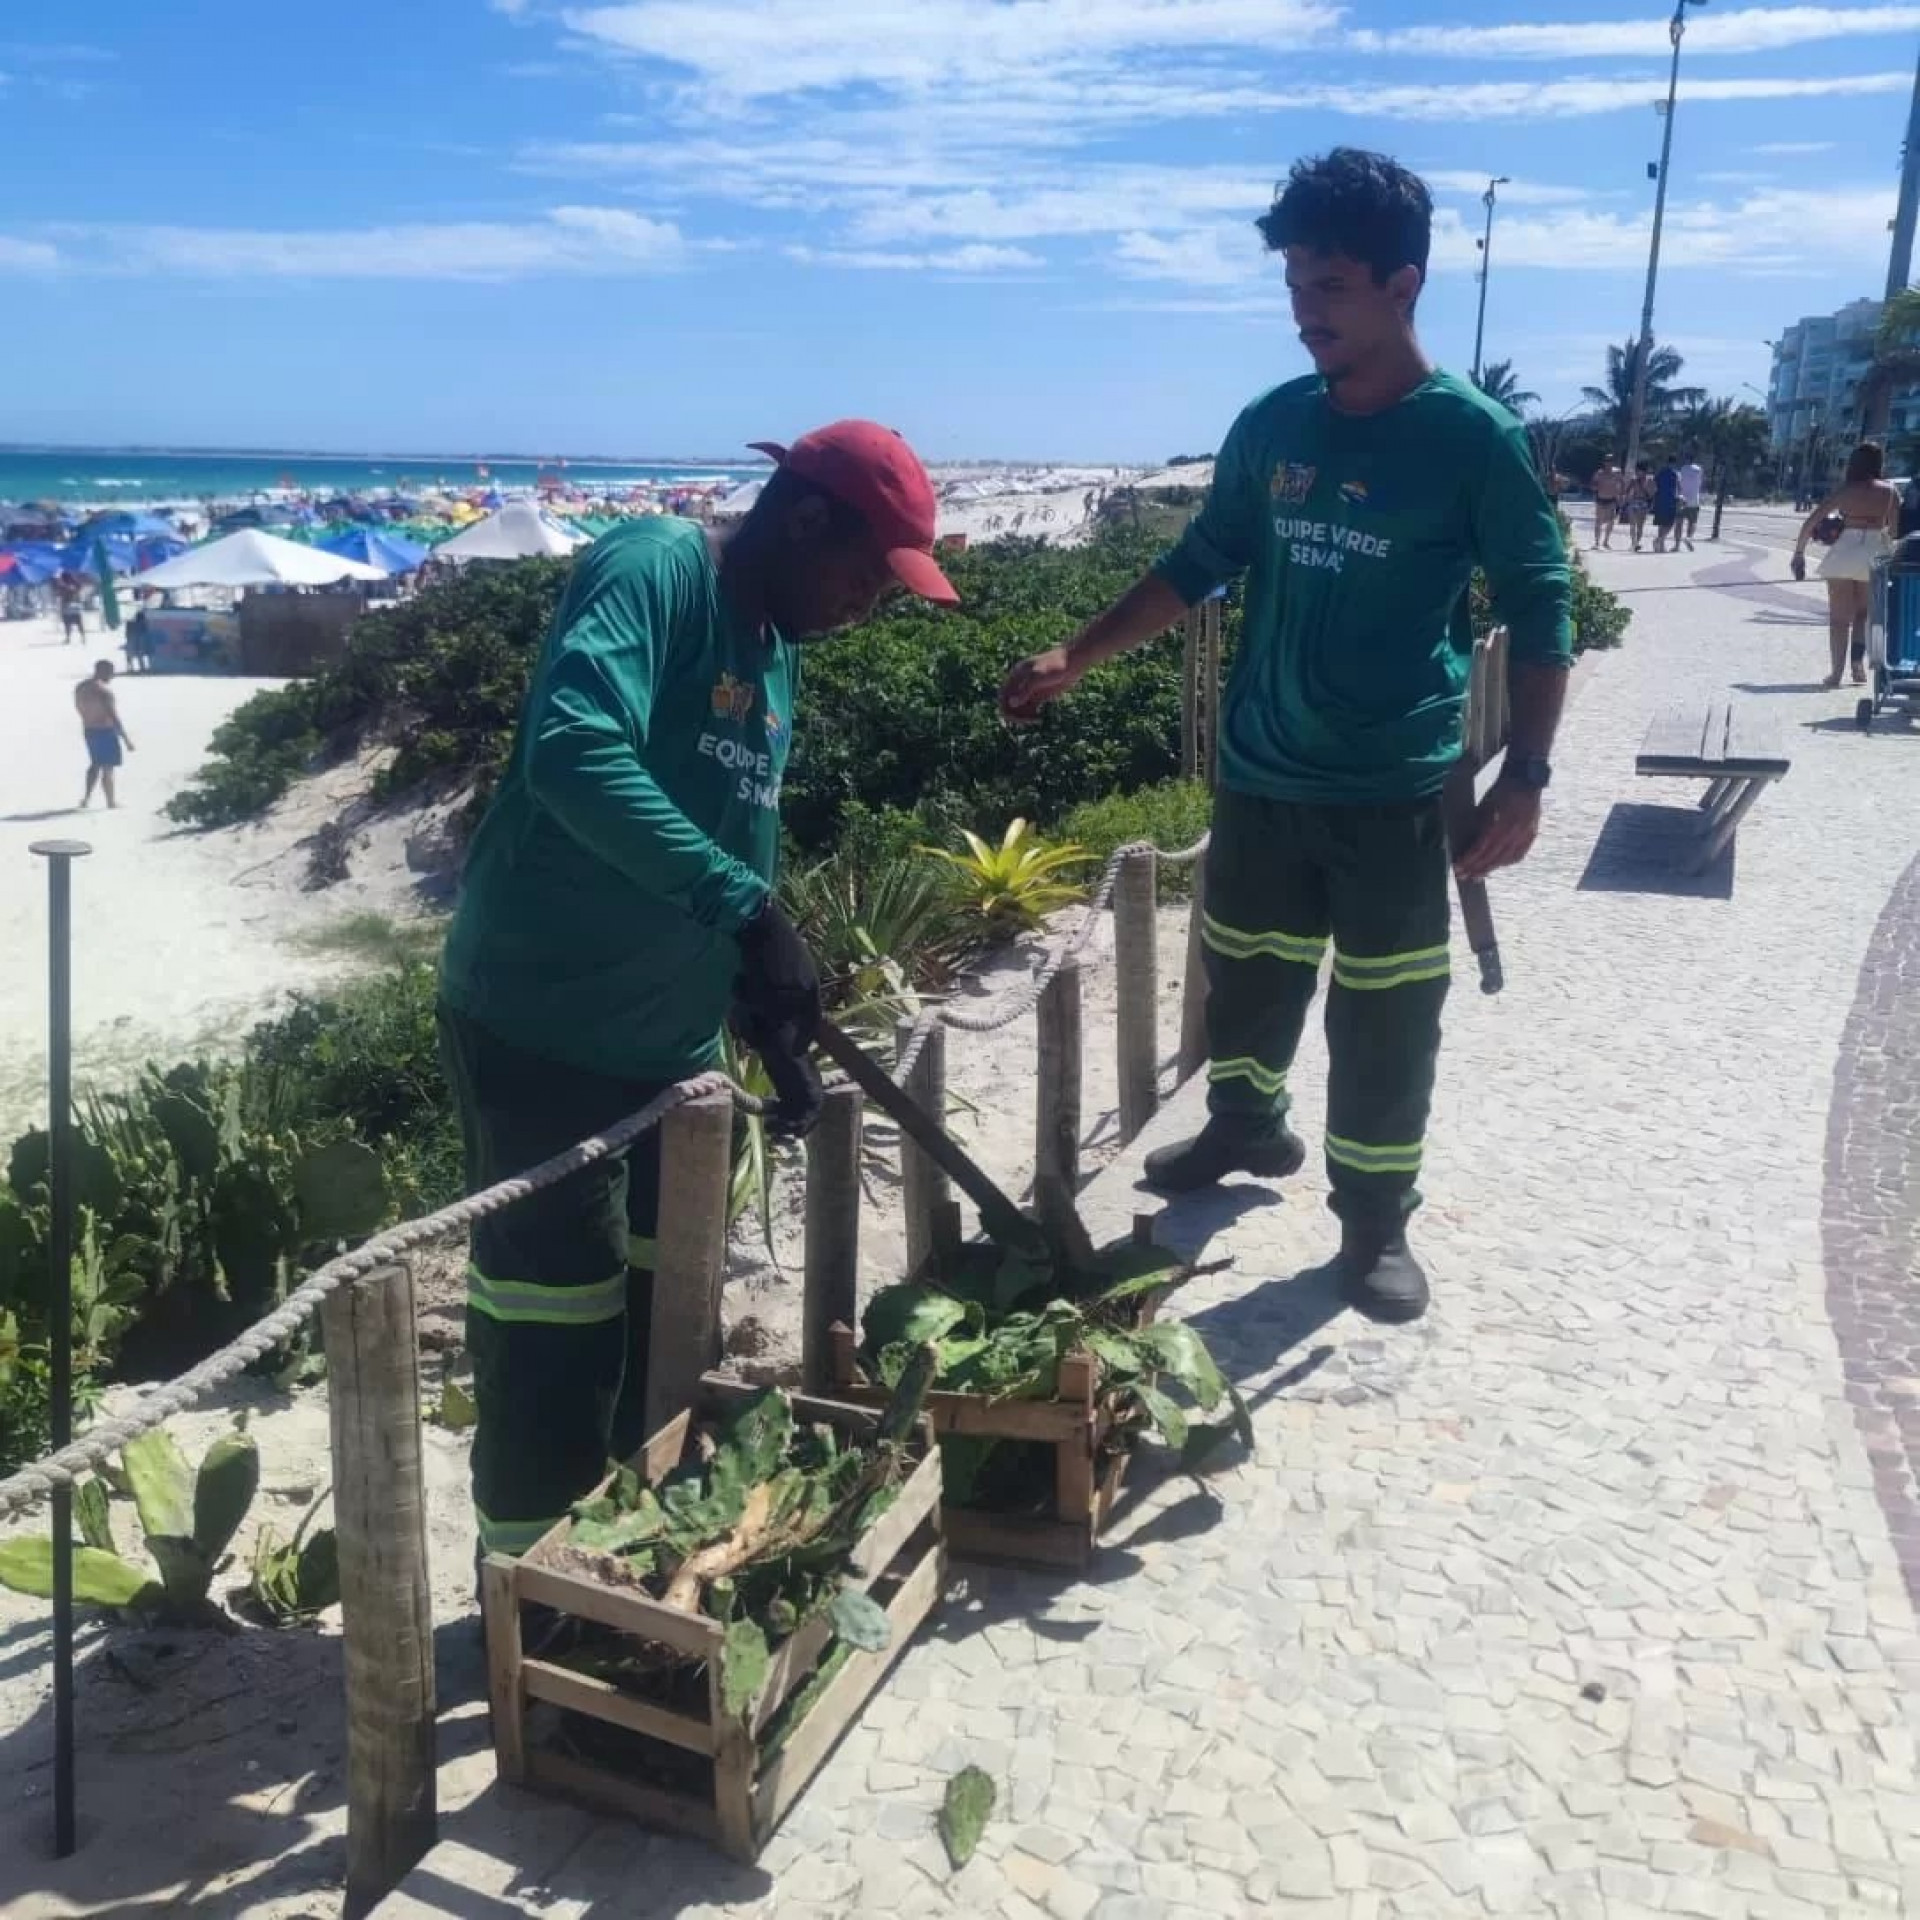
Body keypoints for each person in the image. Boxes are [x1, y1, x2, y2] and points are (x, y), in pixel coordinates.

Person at [999, 148, 1571, 1326]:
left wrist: (1528, 771)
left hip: (1396, 791)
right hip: (1261, 776)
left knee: (1387, 1012)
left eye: (1332, 289)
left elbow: (1541, 600)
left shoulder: (1471, 440)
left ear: (1403, 284)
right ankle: (1246, 1127)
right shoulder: (1273, 426)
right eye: (1297, 287)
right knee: (1249, 977)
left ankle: (1372, 1223)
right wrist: (1078, 653)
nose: (1307, 315)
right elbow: (1201, 561)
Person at [437, 420, 958, 1560]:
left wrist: (763, 1017)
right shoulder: (657, 566)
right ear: (804, 515)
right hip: (543, 1030)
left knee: (661, 1321)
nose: (866, 608)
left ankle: (617, 1560)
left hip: (669, 1058)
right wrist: (748, 911)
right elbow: (573, 754)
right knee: (550, 1332)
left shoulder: (777, 650)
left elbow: (729, 840)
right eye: (868, 579)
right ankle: (522, 1590)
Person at [1791, 440, 1900, 688]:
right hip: (1874, 552)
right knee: (1863, 614)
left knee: (1839, 620)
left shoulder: (1846, 491)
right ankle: (1857, 666)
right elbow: (1893, 530)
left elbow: (1812, 520)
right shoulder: (1890, 491)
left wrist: (1799, 552)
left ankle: (1836, 673)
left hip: (1844, 553)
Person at [75, 659, 134, 808]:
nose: (112, 676)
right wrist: (126, 739)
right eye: (111, 672)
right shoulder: (104, 691)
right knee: (108, 768)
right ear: (104, 671)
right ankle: (110, 801)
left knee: (95, 764)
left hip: (88, 729)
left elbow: (79, 708)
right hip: (105, 730)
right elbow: (113, 716)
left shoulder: (81, 687)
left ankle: (86, 798)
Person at [1592, 456, 1623, 549]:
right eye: (1607, 461)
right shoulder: (1599, 473)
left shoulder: (1617, 473)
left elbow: (1622, 483)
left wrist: (1621, 494)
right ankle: (1596, 542)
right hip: (1601, 499)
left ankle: (1606, 541)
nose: (1608, 463)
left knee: (1611, 521)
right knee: (1598, 521)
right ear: (1604, 462)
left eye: (1610, 461)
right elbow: (1593, 484)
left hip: (1612, 499)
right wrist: (1595, 487)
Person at [1676, 449, 1705, 550]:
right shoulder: (1698, 469)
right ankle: (1689, 537)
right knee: (1693, 522)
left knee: (1679, 522)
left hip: (1683, 498)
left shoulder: (1683, 469)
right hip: (1694, 499)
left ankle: (1677, 545)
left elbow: (1680, 482)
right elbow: (1700, 482)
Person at [1651, 455, 1680, 553]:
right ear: (1674, 463)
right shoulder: (1675, 474)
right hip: (1670, 500)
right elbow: (1677, 488)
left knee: (1661, 523)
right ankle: (1659, 540)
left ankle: (1661, 546)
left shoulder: (1660, 473)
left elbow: (1654, 485)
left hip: (1660, 499)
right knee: (1670, 523)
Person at [1623, 460, 1653, 550]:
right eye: (1637, 471)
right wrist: (1626, 500)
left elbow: (1652, 493)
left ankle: (1637, 542)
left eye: (1639, 470)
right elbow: (1627, 491)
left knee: (1640, 526)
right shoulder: (1634, 480)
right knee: (1632, 525)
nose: (1638, 472)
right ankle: (1634, 543)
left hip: (1643, 503)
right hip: (1634, 502)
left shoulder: (1649, 480)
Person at [56, 575, 85, 644]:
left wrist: (63, 585)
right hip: (73, 605)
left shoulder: (65, 582)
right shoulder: (73, 581)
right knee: (78, 622)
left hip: (68, 605)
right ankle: (82, 637)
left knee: (68, 623)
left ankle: (69, 638)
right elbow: (79, 587)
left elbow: (61, 593)